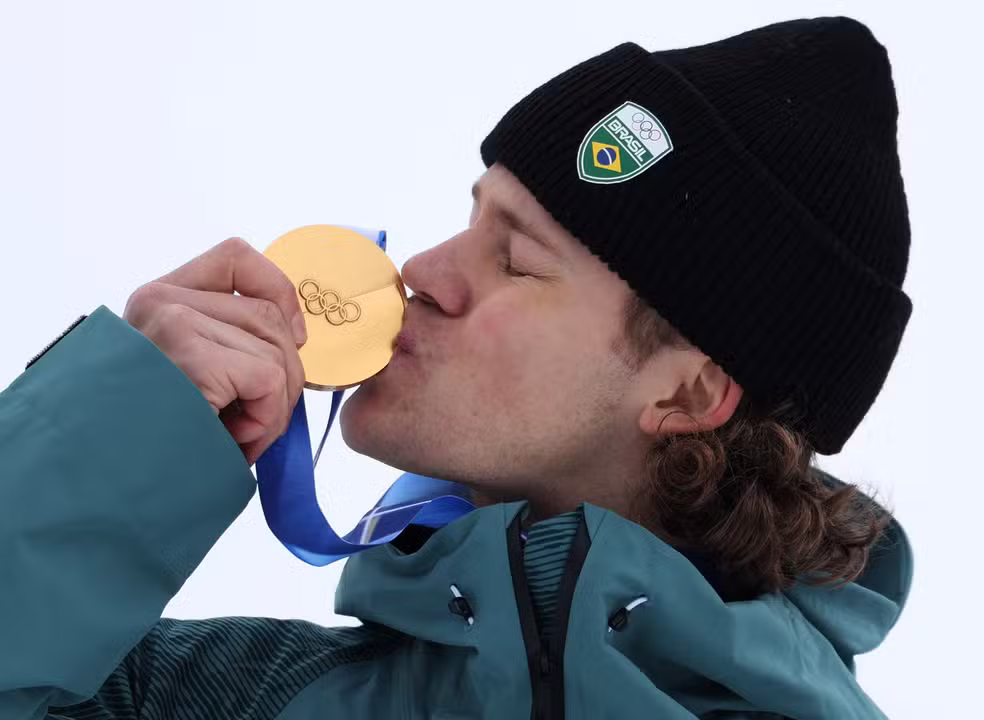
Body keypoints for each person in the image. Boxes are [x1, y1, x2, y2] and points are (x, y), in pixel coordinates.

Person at [0, 15, 913, 720]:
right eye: (469, 219)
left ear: (689, 390)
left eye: (515, 259)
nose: (425, 272)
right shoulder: (220, 696)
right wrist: (112, 447)